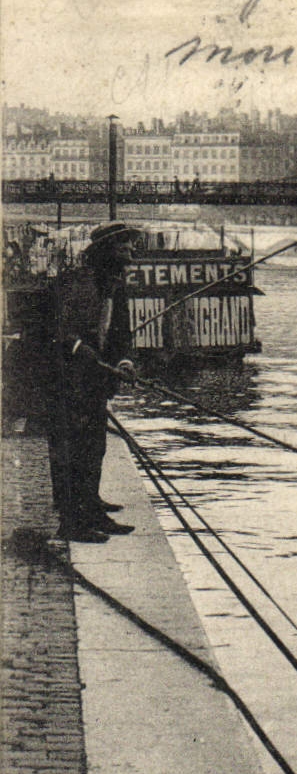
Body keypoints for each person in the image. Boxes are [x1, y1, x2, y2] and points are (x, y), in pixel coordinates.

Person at [49, 222, 140, 542]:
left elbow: (121, 334)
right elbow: (61, 329)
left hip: (94, 382)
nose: (130, 253)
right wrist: (81, 351)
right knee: (71, 450)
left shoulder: (116, 285)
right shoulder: (77, 282)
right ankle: (71, 522)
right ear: (106, 252)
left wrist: (124, 361)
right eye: (124, 248)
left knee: (94, 448)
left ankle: (91, 511)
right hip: (68, 380)